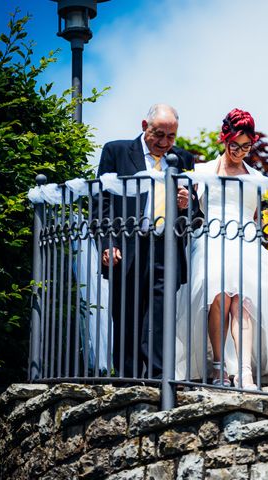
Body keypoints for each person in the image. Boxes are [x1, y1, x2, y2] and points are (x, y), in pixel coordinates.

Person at [176, 108, 268, 389]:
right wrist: (185, 202)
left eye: (246, 146)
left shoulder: (257, 178)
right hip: (213, 238)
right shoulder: (202, 172)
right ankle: (218, 366)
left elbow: (259, 217)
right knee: (218, 298)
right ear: (225, 139)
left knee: (244, 302)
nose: (240, 152)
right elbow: (192, 209)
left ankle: (244, 371)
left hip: (246, 240)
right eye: (235, 145)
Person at [97, 103, 196, 378]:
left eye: (171, 136)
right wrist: (107, 243)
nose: (165, 143)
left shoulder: (183, 159)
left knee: (160, 318)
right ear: (144, 126)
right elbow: (102, 202)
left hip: (166, 248)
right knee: (127, 316)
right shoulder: (116, 151)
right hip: (127, 246)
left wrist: (188, 203)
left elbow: (195, 212)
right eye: (159, 134)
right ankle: (127, 382)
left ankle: (158, 381)